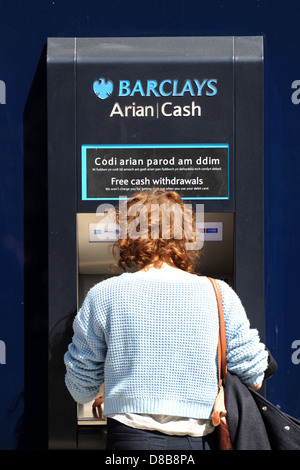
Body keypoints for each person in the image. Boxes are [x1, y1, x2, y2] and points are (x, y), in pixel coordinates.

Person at [64, 189, 271, 450]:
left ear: (128, 234)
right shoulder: (219, 293)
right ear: (186, 234)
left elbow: (80, 389)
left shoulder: (104, 294)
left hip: (130, 441)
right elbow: (254, 375)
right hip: (201, 440)